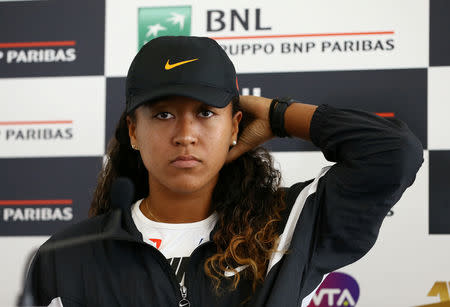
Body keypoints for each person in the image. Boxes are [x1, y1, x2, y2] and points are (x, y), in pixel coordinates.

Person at [26, 36, 423, 307]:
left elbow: (393, 153)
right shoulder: (66, 258)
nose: (185, 135)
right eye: (163, 114)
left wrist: (278, 115)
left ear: (234, 127)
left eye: (205, 113)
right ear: (134, 130)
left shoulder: (285, 226)